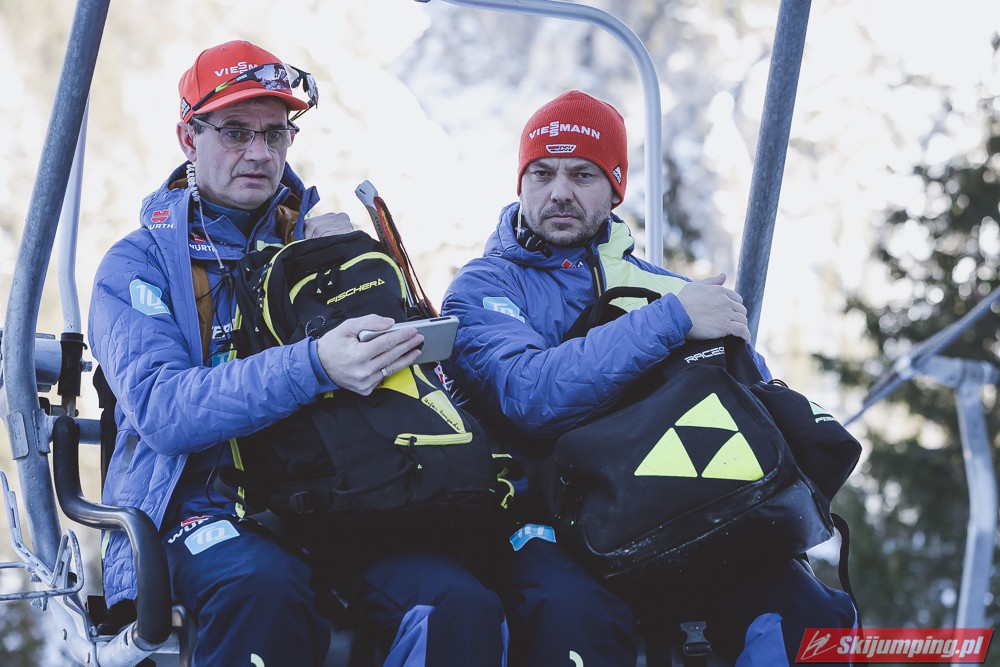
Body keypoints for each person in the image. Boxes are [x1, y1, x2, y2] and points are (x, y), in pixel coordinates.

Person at [88, 40, 506, 666]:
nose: (259, 153)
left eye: (276, 134)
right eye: (235, 131)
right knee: (262, 588)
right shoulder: (139, 264)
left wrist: (349, 265)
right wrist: (314, 364)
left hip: (340, 502)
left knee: (458, 603)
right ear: (187, 138)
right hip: (197, 508)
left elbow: (413, 377)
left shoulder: (324, 245)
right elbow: (164, 410)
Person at [441, 90, 857, 665]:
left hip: (672, 509)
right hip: (540, 520)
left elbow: (750, 408)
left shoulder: (666, 289)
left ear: (615, 187)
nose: (558, 191)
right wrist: (674, 319)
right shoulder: (486, 287)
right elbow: (527, 394)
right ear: (521, 183)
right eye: (541, 173)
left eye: (582, 174)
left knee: (808, 612)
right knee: (575, 616)